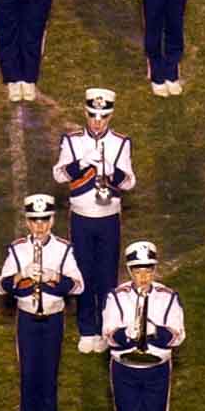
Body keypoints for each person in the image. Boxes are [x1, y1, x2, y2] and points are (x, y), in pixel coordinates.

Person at [0, 195, 84, 411]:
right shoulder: (18, 249)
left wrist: (54, 277)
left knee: (49, 370)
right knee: (28, 370)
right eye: (34, 221)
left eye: (44, 220)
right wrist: (20, 275)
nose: (39, 226)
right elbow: (1, 286)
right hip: (27, 318)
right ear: (27, 222)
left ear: (52, 220)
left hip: (53, 318)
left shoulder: (63, 249)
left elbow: (79, 285)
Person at [53, 89, 136, 353]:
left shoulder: (121, 143)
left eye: (103, 116)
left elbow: (130, 182)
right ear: (85, 113)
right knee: (84, 271)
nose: (97, 122)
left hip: (108, 218)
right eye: (92, 115)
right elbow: (59, 175)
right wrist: (81, 163)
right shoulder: (72, 141)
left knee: (107, 274)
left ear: (110, 116)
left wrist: (113, 171)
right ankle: (87, 329)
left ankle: (106, 327)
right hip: (81, 218)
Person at [102, 241, 183, 411]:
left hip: (155, 370)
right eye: (137, 271)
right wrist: (128, 334)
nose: (143, 277)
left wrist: (154, 332)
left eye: (148, 270)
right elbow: (109, 336)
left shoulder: (168, 297)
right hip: (125, 369)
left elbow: (178, 336)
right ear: (129, 271)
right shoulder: (116, 297)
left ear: (154, 269)